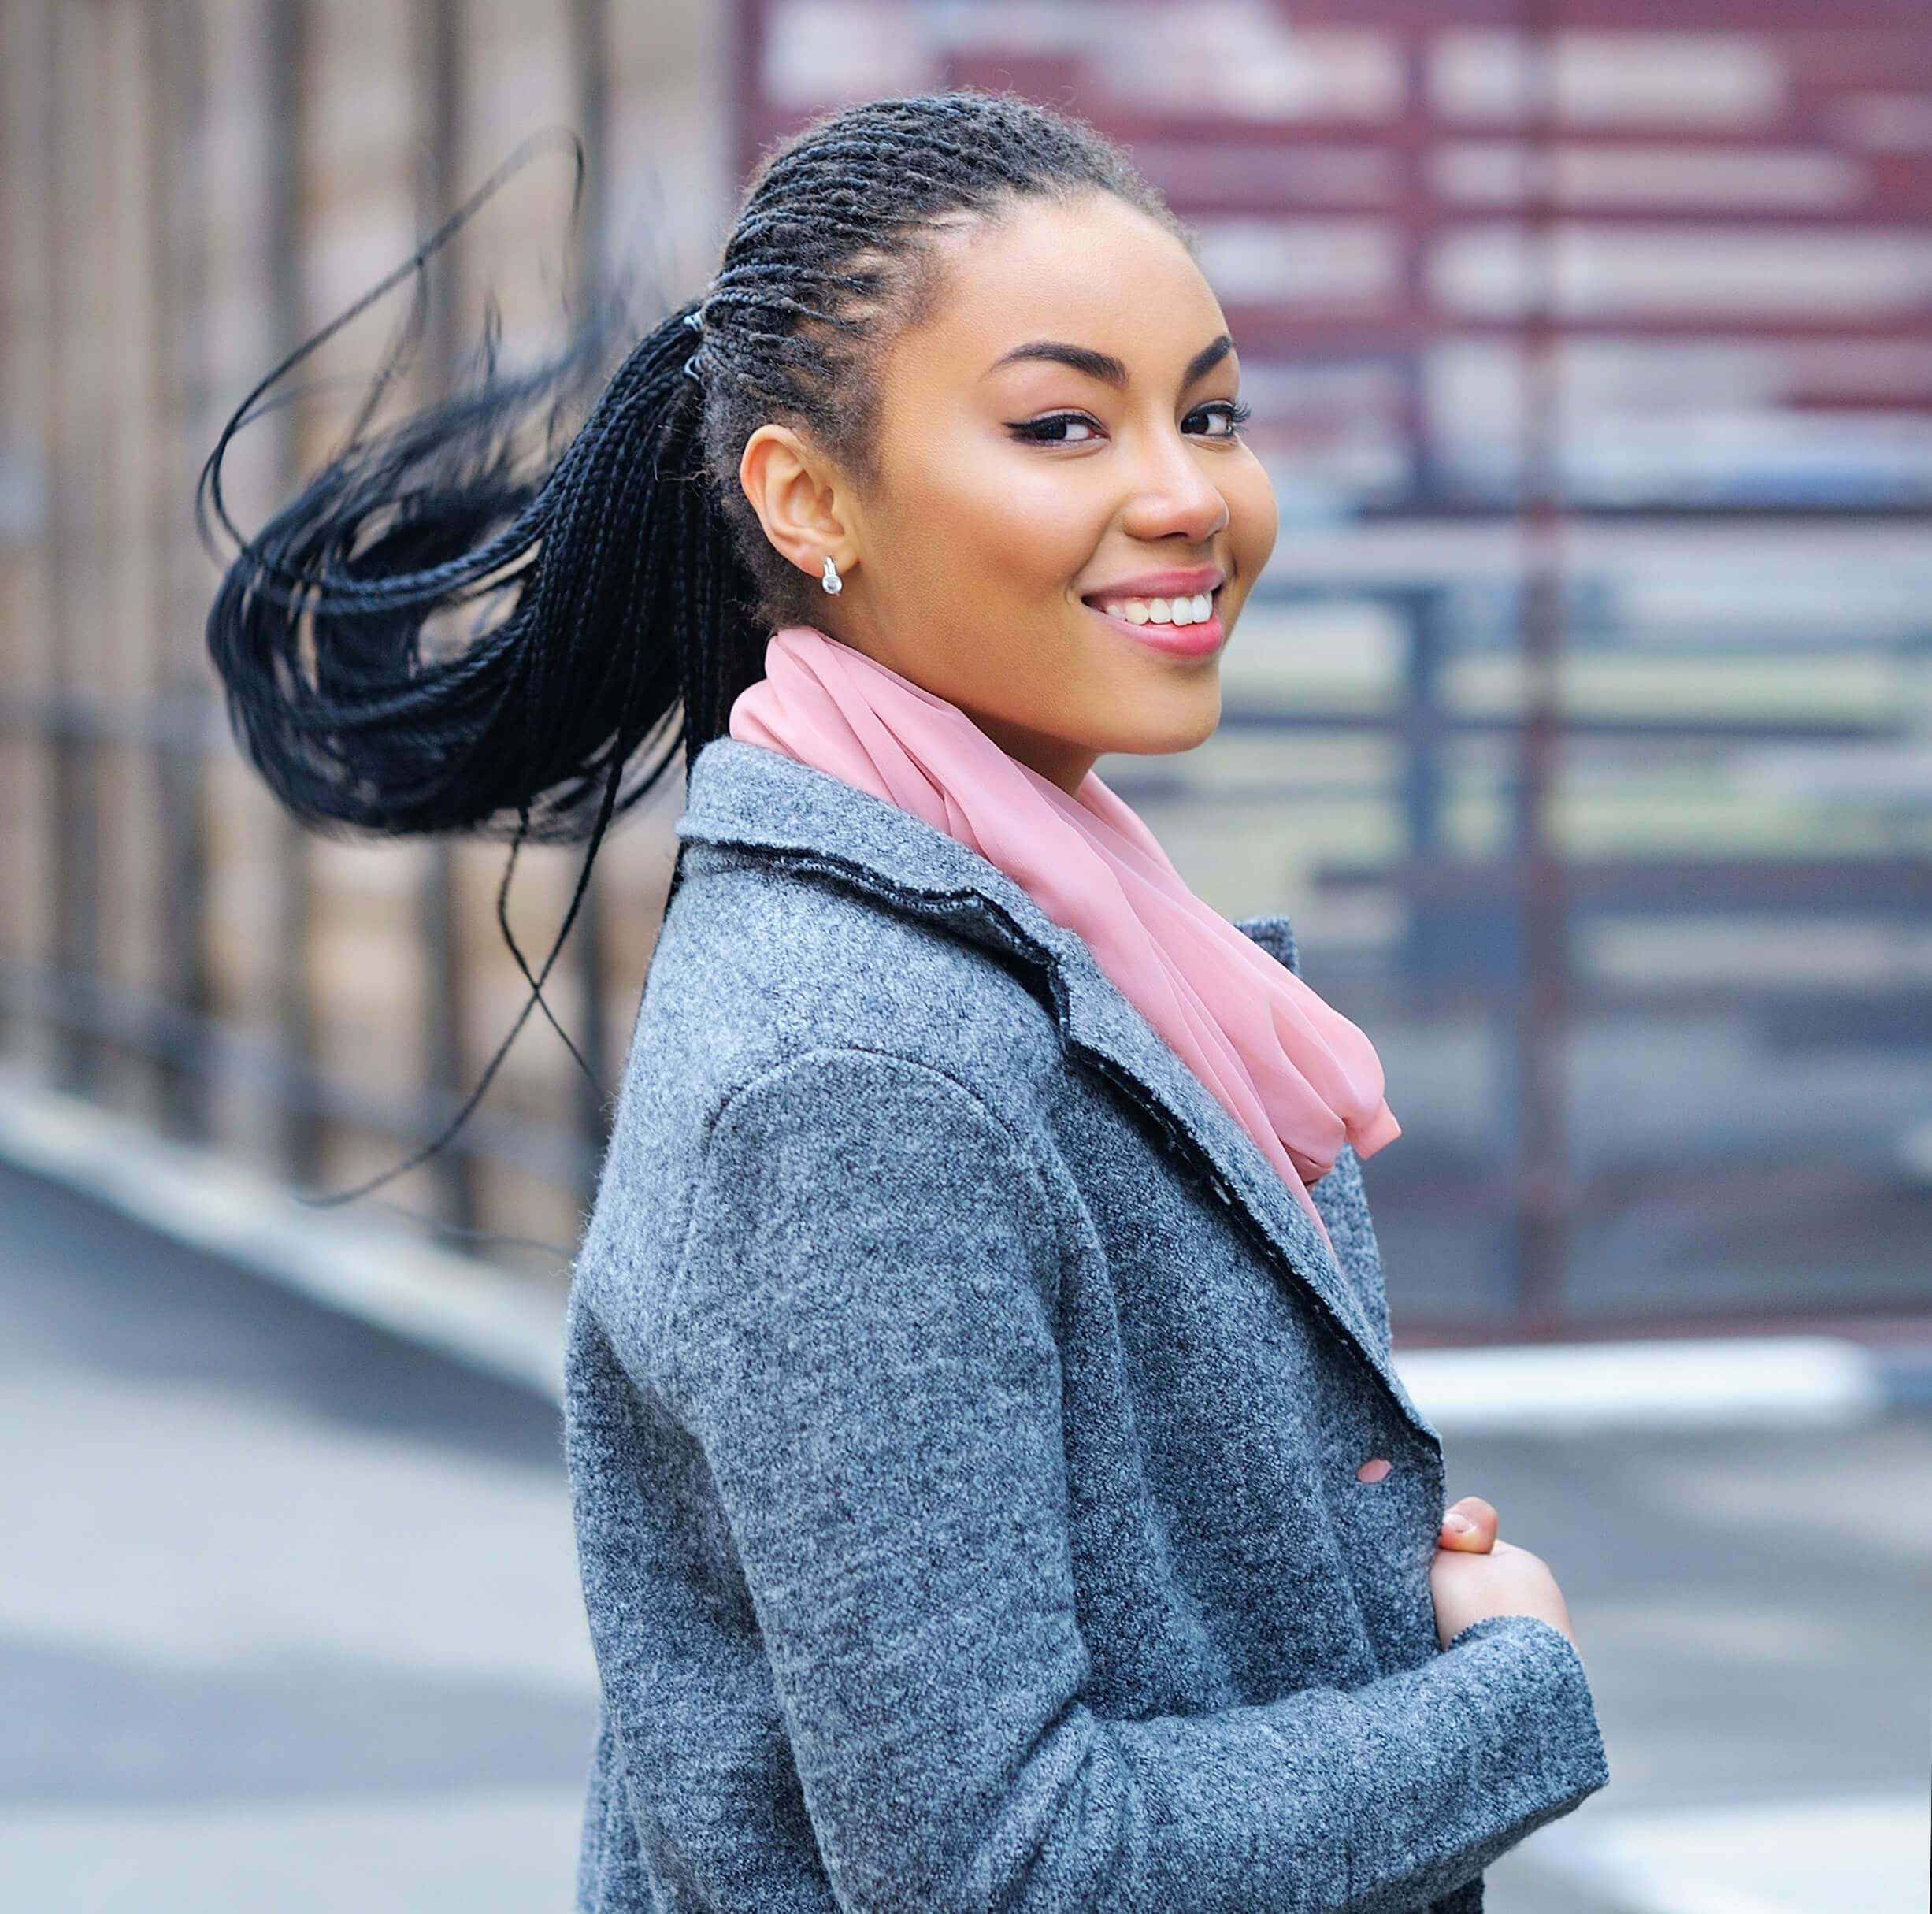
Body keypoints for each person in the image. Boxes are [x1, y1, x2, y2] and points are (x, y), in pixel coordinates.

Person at [202, 87, 1606, 1914]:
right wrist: (1500, 1700)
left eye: (1208, 413)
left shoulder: (1066, 929)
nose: (1185, 494)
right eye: (1056, 423)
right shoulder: (859, 1076)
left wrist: (1346, 1600)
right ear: (805, 497)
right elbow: (998, 1870)